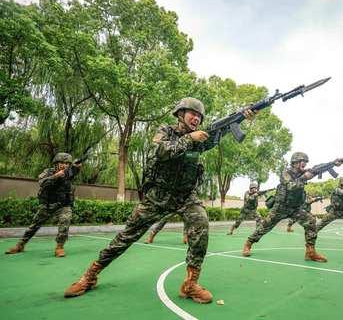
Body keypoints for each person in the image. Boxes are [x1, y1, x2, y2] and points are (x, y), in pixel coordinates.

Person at [63, 97, 255, 304]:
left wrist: (241, 118)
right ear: (181, 114)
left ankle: (190, 284)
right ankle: (90, 275)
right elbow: (162, 151)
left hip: (185, 195)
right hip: (158, 196)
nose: (196, 118)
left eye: (199, 116)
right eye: (193, 114)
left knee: (201, 224)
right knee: (127, 236)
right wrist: (190, 139)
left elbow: (217, 133)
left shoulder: (201, 138)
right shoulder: (166, 131)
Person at [242, 152, 332, 262]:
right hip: (280, 208)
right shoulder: (286, 173)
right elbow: (291, 186)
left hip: (295, 208)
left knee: (311, 221)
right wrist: (305, 178)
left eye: (305, 162)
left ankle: (310, 252)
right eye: (302, 162)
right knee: (264, 227)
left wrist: (331, 165)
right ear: (295, 163)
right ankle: (248, 243)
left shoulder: (303, 172)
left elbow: (315, 169)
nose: (304, 164)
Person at [5, 153, 81, 257]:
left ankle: (59, 247)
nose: (64, 165)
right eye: (61, 163)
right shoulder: (48, 172)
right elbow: (42, 182)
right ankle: (20, 245)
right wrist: (55, 176)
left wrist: (78, 166)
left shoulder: (70, 173)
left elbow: (75, 169)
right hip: (48, 204)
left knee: (65, 220)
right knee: (34, 225)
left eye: (67, 163)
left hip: (63, 205)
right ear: (56, 164)